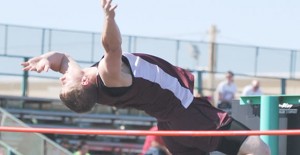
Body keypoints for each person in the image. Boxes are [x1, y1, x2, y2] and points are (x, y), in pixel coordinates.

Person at [21, 0, 270, 154]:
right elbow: (112, 47)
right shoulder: (108, 76)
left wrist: (44, 57)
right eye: (64, 82)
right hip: (188, 114)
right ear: (84, 81)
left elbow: (62, 59)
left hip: (170, 123)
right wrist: (109, 19)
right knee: (258, 149)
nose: (61, 78)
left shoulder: (94, 83)